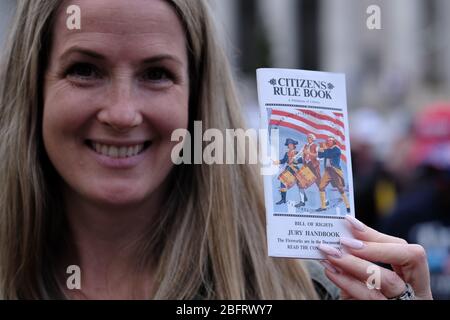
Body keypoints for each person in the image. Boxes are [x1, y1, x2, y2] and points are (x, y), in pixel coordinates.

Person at [0, 0, 432, 300]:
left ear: (198, 98)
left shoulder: (312, 288)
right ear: (32, 88)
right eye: (84, 70)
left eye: (156, 73)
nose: (122, 113)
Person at [317, 137, 351, 213]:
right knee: (321, 186)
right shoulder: (328, 149)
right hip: (328, 171)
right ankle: (323, 207)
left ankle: (348, 206)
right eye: (327, 140)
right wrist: (320, 148)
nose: (327, 141)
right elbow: (320, 156)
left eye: (329, 140)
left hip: (335, 170)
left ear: (334, 142)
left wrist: (324, 148)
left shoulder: (336, 149)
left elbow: (328, 155)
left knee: (340, 188)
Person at [274, 138, 307, 208]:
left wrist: (296, 161)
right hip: (288, 169)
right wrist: (278, 162)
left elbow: (302, 160)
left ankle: (303, 201)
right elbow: (284, 160)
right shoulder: (287, 153)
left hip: (295, 169)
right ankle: (283, 199)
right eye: (289, 145)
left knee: (300, 185)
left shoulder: (297, 153)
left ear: (294, 145)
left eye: (291, 144)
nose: (290, 146)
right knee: (282, 182)